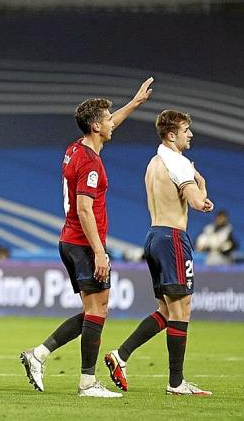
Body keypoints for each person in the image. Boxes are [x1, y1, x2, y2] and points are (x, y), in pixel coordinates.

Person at [20, 77, 154, 398]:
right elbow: (84, 208)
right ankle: (86, 383)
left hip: (70, 240)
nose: (112, 123)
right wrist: (99, 252)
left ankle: (38, 355)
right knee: (97, 310)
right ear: (96, 126)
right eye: (107, 119)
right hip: (83, 242)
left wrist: (134, 103)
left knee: (95, 311)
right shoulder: (91, 163)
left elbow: (111, 123)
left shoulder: (75, 148)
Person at [104, 110, 214, 396]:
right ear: (171, 134)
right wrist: (201, 186)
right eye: (186, 129)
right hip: (173, 238)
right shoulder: (179, 163)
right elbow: (198, 202)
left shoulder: (154, 163)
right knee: (182, 310)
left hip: (154, 235)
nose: (190, 134)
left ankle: (121, 355)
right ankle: (176, 383)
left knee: (166, 310)